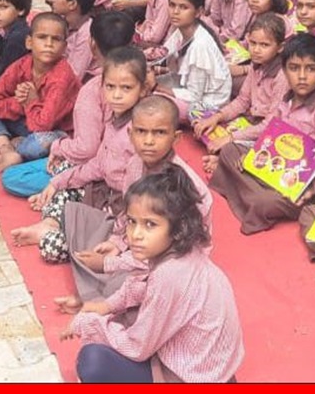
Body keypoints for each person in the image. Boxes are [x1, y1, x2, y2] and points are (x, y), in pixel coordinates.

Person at [63, 165, 244, 384]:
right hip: (214, 370)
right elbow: (140, 285)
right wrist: (107, 306)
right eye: (132, 222)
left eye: (150, 224)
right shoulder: (187, 253)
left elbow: (137, 347)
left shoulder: (169, 275)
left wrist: (87, 324)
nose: (135, 234)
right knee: (127, 311)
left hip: (191, 377)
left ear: (178, 227)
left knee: (92, 361)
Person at [59, 95, 212, 306]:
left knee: (135, 283)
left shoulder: (185, 185)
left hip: (172, 259)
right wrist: (116, 243)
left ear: (176, 138)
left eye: (159, 133)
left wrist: (111, 263)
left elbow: (179, 249)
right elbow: (127, 212)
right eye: (141, 131)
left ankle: (96, 298)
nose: (148, 141)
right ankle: (99, 290)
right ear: (130, 134)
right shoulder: (134, 164)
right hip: (140, 239)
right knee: (77, 217)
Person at [12, 45, 149, 262]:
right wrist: (57, 182)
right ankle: (51, 223)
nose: (116, 95)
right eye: (110, 87)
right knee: (67, 173)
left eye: (126, 88)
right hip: (104, 192)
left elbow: (136, 197)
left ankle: (54, 231)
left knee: (52, 247)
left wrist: (119, 239)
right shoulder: (114, 120)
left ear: (142, 89)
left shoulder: (140, 132)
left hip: (124, 212)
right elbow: (99, 164)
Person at [208, 33, 315, 235]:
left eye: (311, 69)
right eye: (294, 68)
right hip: (275, 168)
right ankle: (252, 193)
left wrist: (310, 190)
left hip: (301, 184)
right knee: (230, 151)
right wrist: (254, 155)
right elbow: (271, 135)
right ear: (284, 70)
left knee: (265, 202)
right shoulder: (286, 99)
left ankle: (250, 196)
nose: (302, 76)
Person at [2, 12, 139, 201]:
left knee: (13, 177)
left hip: (99, 167)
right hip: (119, 166)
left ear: (92, 45)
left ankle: (79, 189)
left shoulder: (93, 89)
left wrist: (58, 147)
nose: (116, 95)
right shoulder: (142, 80)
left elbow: (86, 149)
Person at [0, 12, 80, 173]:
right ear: (29, 42)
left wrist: (31, 101)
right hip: (28, 120)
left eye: (56, 39)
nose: (49, 44)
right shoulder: (22, 65)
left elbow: (44, 125)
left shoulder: (62, 77)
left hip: (56, 130)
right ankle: (6, 149)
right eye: (42, 37)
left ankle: (13, 146)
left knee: (35, 147)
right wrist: (20, 102)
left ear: (64, 47)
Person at [195, 13, 290, 155]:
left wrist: (230, 138)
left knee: (229, 151)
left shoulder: (282, 76)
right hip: (250, 120)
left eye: (264, 45)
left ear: (280, 47)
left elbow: (271, 124)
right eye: (253, 43)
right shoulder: (257, 65)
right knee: (197, 114)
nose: (256, 50)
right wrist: (216, 117)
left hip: (268, 131)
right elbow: (242, 101)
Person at [155, 0, 231, 122]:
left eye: (184, 7)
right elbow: (163, 54)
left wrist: (160, 88)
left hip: (207, 105)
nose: (175, 12)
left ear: (198, 12)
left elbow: (195, 95)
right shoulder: (180, 31)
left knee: (152, 101)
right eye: (172, 5)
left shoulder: (200, 45)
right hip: (185, 86)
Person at [48, 0, 98, 83]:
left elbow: (74, 75)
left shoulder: (87, 35)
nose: (53, 0)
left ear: (72, 4)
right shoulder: (66, 23)